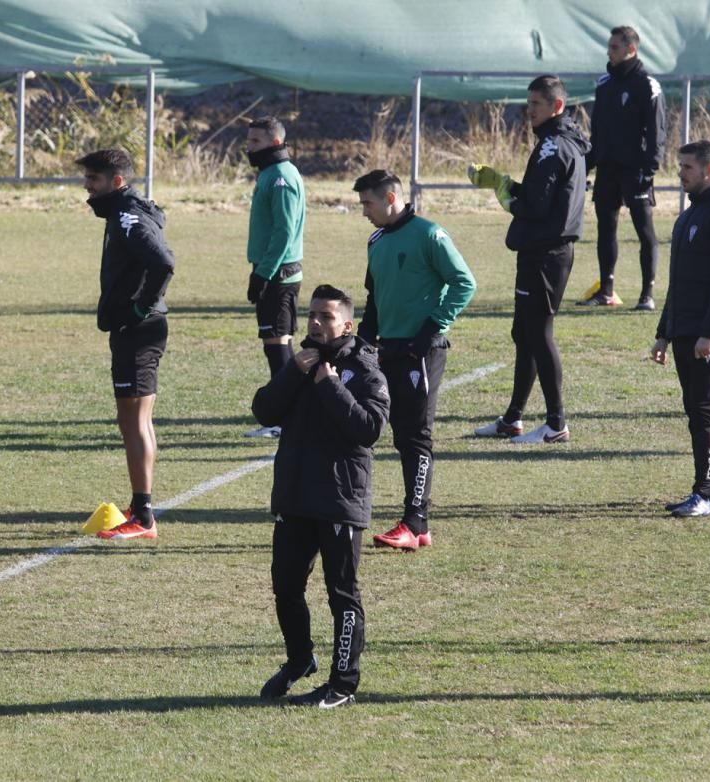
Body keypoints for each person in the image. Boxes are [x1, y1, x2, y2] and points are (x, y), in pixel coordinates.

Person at [252, 284, 390, 708]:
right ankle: (300, 660)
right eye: (311, 314)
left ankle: (343, 684)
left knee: (341, 593)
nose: (314, 322)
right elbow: (263, 410)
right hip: (295, 497)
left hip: (339, 500)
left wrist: (330, 386)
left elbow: (370, 429)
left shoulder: (364, 368)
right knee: (286, 586)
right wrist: (294, 372)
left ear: (346, 324)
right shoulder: (301, 362)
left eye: (325, 317)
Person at [352, 170, 476, 551]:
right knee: (388, 433)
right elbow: (375, 298)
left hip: (420, 352)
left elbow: (463, 283)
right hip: (386, 350)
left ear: (391, 198)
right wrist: (361, 343)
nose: (364, 212)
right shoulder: (376, 241)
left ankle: (415, 521)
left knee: (415, 436)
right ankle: (411, 523)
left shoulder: (429, 234)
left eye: (368, 204)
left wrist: (429, 331)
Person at [468, 75, 590, 444]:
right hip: (542, 250)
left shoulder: (554, 145)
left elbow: (536, 207)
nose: (529, 112)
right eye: (528, 104)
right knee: (524, 335)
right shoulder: (559, 142)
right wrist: (504, 182)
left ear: (556, 106)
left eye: (536, 105)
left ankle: (556, 423)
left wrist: (506, 197)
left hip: (546, 253)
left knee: (539, 334)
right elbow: (544, 195)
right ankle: (513, 418)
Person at [77, 149, 175, 540]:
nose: (87, 187)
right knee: (137, 422)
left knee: (133, 423)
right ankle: (140, 507)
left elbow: (163, 261)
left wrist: (139, 308)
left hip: (139, 331)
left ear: (116, 182)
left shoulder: (126, 216)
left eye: (94, 180)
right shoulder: (122, 211)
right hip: (141, 329)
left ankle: (144, 516)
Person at [651, 140, 710, 517]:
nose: (680, 173)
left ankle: (704, 494)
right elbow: (677, 281)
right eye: (680, 166)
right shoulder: (690, 216)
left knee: (705, 409)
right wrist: (664, 331)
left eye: (688, 167)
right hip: (685, 329)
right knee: (695, 408)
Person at [579, 25, 666, 311]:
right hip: (608, 170)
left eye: (614, 47)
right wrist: (587, 166)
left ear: (631, 49)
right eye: (609, 46)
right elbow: (598, 132)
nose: (609, 51)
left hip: (635, 171)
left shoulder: (647, 85)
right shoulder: (604, 84)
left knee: (645, 232)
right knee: (606, 230)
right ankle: (606, 291)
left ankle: (647, 296)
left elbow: (657, 133)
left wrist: (649, 168)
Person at [244, 115, 306, 437]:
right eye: (249, 140)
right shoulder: (271, 173)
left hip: (278, 275)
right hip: (271, 271)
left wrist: (264, 274)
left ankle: (285, 419)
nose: (249, 147)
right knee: (276, 344)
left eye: (256, 142)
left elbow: (283, 232)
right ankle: (290, 415)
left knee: (278, 345)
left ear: (276, 143)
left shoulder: (281, 177)